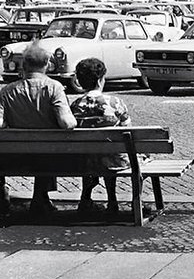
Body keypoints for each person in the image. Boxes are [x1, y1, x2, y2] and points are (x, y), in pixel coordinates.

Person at [0, 44, 79, 215]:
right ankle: (40, 197)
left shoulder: (7, 91)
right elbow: (67, 123)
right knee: (48, 149)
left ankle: (2, 196)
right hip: (49, 158)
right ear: (47, 64)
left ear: (24, 65)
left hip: (12, 158)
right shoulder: (54, 88)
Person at [69, 58, 132, 215]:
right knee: (112, 151)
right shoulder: (115, 103)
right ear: (100, 80)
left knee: (93, 151)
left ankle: (85, 199)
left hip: (85, 161)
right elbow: (128, 130)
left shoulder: (76, 105)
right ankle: (113, 200)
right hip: (115, 159)